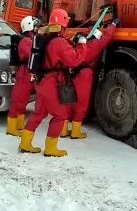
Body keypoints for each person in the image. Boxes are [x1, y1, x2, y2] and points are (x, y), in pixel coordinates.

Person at [19, 9, 86, 157]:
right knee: (60, 115)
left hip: (41, 81)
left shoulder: (45, 38)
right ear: (63, 23)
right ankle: (51, 148)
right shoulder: (59, 42)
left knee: (39, 113)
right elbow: (74, 60)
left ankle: (25, 143)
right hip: (52, 83)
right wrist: (82, 44)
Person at [61, 20, 118, 139]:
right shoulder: (94, 45)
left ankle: (63, 129)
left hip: (71, 73)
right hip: (84, 75)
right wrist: (113, 25)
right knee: (82, 103)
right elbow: (106, 38)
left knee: (68, 100)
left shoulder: (77, 43)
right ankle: (76, 131)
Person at [7, 16, 40, 136]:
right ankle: (11, 128)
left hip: (28, 72)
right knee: (19, 100)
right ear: (30, 26)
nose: (37, 28)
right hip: (24, 71)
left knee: (24, 100)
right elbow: (30, 54)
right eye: (35, 26)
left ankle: (19, 125)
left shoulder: (32, 40)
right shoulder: (26, 41)